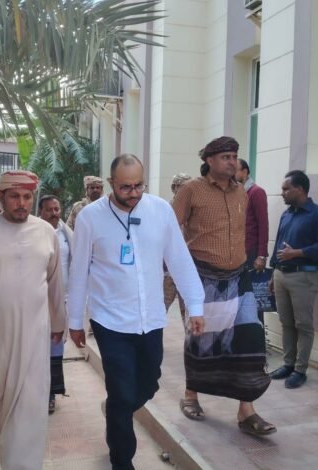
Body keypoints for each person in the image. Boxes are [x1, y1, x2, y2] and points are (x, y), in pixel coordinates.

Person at [67, 154, 205, 470]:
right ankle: (122, 460)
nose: (133, 193)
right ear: (111, 183)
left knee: (149, 383)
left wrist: (195, 306)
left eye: (138, 185)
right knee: (120, 389)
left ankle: (117, 407)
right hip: (109, 320)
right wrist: (75, 320)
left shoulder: (160, 211)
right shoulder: (90, 217)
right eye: (125, 187)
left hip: (151, 317)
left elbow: (179, 259)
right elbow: (79, 271)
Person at [0, 170, 66, 469]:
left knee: (28, 405)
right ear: (0, 197)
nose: (22, 203)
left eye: (27, 197)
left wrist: (58, 322)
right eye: (15, 196)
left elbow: (55, 281)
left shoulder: (45, 232)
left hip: (33, 331)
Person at [173, 136, 275, 436]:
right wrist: (177, 269)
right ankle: (191, 395)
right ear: (209, 160)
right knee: (201, 338)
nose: (232, 162)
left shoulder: (241, 191)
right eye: (226, 157)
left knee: (249, 337)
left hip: (239, 277)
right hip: (202, 277)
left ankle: (247, 411)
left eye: (234, 156)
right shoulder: (191, 190)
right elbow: (170, 229)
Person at [268, 170, 318, 389]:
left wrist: (297, 253)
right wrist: (273, 273)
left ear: (300, 189)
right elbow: (278, 244)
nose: (282, 193)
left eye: (286, 189)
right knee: (286, 322)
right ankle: (288, 364)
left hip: (303, 275)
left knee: (303, 324)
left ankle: (300, 370)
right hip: (281, 275)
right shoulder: (286, 215)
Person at [38, 194, 73, 415]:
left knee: (56, 345)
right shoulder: (34, 232)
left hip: (62, 299)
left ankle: (51, 392)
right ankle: (36, 392)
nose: (54, 213)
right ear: (40, 211)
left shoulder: (66, 234)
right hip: (37, 300)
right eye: (49, 209)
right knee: (36, 348)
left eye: (57, 209)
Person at [164, 173, 193, 322]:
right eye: (183, 187)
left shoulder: (195, 210)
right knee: (160, 307)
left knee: (188, 312)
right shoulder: (165, 209)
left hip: (188, 268)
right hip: (168, 269)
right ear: (174, 188)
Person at [235, 159, 269, 270]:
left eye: (234, 171)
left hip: (250, 251)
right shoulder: (234, 193)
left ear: (244, 172)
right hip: (235, 251)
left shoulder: (256, 192)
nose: (231, 174)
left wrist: (261, 255)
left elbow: (263, 224)